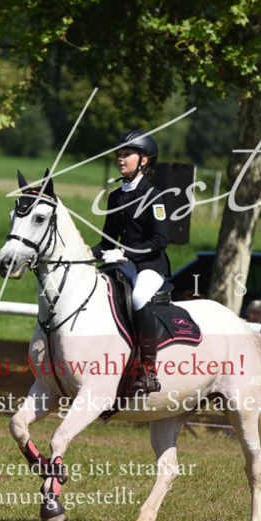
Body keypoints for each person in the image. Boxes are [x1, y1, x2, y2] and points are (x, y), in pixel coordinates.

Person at [90, 130, 170, 395]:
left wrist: (125, 254)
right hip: (125, 264)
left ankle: (148, 370)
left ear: (144, 160)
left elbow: (160, 241)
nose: (120, 159)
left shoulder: (154, 195)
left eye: (127, 154)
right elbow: (106, 242)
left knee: (137, 299)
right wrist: (86, 254)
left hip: (151, 265)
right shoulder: (115, 197)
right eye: (119, 154)